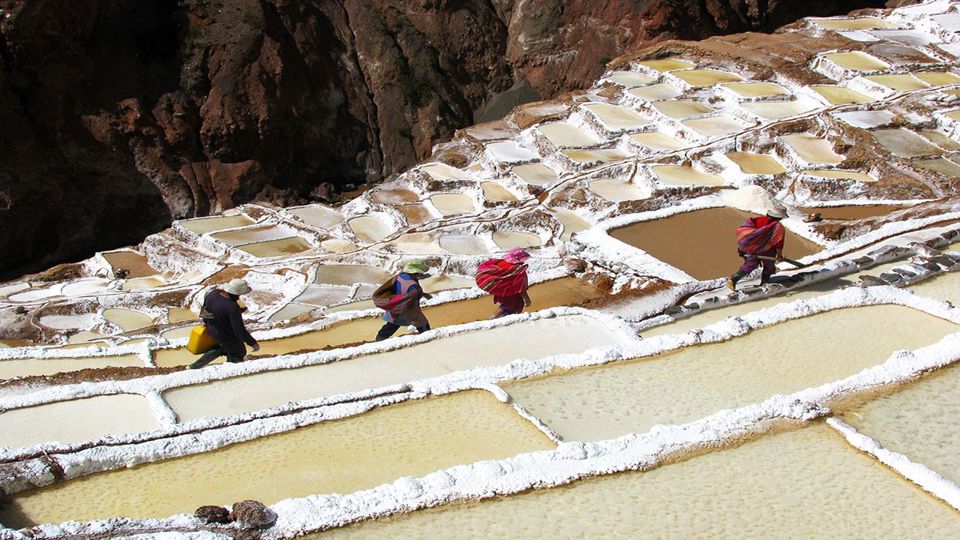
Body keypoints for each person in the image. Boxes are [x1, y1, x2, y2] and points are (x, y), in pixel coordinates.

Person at [189, 279, 260, 368]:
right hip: (226, 335)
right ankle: (231, 369)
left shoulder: (213, 294)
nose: (239, 297)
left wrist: (207, 323)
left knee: (223, 348)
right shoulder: (231, 307)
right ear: (235, 293)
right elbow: (239, 329)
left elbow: (206, 311)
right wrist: (252, 343)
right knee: (238, 353)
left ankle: (195, 366)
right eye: (239, 294)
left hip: (211, 329)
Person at [727, 203, 788, 291]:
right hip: (765, 250)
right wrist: (779, 255)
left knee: (750, 264)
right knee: (769, 265)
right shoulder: (778, 227)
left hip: (749, 248)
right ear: (780, 218)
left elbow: (745, 234)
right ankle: (765, 283)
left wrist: (741, 248)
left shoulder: (756, 220)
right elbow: (779, 242)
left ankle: (733, 279)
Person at [373, 259, 433, 341]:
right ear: (415, 272)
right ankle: (428, 340)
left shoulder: (401, 276)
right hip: (407, 310)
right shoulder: (413, 286)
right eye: (420, 273)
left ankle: (379, 339)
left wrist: (423, 294)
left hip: (395, 307)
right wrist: (413, 320)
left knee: (392, 325)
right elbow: (411, 298)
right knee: (423, 324)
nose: (421, 274)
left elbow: (406, 293)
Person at [475, 248, 532, 318]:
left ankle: (496, 318)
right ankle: (495, 319)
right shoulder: (517, 270)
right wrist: (527, 299)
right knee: (511, 305)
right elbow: (521, 287)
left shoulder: (499, 262)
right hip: (509, 291)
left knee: (508, 304)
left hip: (500, 289)